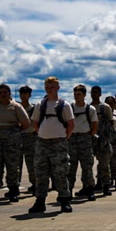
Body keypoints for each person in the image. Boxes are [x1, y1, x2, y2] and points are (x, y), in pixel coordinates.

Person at [29, 77, 75, 214]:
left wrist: (63, 137)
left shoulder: (64, 105)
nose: (50, 89)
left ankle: (64, 200)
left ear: (58, 88)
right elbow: (35, 123)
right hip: (42, 143)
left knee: (61, 172)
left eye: (52, 87)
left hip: (59, 142)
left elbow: (71, 125)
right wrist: (43, 134)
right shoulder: (40, 105)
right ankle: (40, 201)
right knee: (41, 173)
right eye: (47, 87)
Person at [0, 83, 30, 203]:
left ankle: (13, 191)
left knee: (12, 166)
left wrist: (14, 131)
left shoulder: (16, 106)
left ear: (10, 94)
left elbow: (26, 123)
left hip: (12, 140)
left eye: (5, 92)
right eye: (1, 92)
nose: (3, 94)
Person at [68, 84, 98, 201]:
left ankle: (89, 189)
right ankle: (68, 190)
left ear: (84, 95)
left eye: (79, 94)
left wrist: (89, 136)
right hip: (72, 138)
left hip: (85, 138)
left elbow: (95, 124)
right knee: (70, 167)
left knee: (87, 166)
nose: (76, 96)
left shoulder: (90, 109)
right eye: (75, 94)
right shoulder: (70, 108)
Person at [90, 86, 114, 196]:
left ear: (100, 94)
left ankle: (105, 185)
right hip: (90, 137)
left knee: (104, 163)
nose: (94, 94)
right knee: (87, 164)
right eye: (92, 92)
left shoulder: (105, 107)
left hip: (103, 139)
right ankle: (89, 186)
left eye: (96, 92)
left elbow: (111, 122)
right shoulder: (88, 107)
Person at [18, 85, 38, 193]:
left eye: (25, 94)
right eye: (22, 93)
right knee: (16, 163)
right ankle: (15, 184)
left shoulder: (33, 108)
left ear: (29, 95)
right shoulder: (16, 107)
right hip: (18, 137)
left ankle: (35, 183)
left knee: (32, 163)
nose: (23, 96)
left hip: (30, 137)